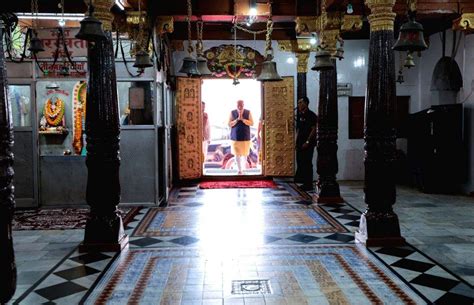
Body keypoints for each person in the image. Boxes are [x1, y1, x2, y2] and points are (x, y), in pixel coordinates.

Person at [295, 97, 318, 191]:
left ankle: (308, 183)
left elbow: (313, 129)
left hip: (308, 143)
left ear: (306, 103)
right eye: (298, 103)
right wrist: (296, 142)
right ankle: (303, 182)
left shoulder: (311, 115)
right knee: (300, 162)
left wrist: (308, 141)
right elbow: (299, 130)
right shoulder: (301, 115)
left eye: (301, 102)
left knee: (307, 163)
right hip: (300, 143)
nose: (299, 104)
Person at [228, 99, 254, 175]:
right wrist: (236, 120)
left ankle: (243, 169)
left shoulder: (248, 112)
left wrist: (243, 120)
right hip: (235, 136)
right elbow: (229, 124)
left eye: (241, 105)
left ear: (244, 104)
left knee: (245, 154)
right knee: (237, 154)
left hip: (245, 136)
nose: (240, 106)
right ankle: (239, 170)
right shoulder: (232, 112)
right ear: (236, 105)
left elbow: (252, 123)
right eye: (238, 105)